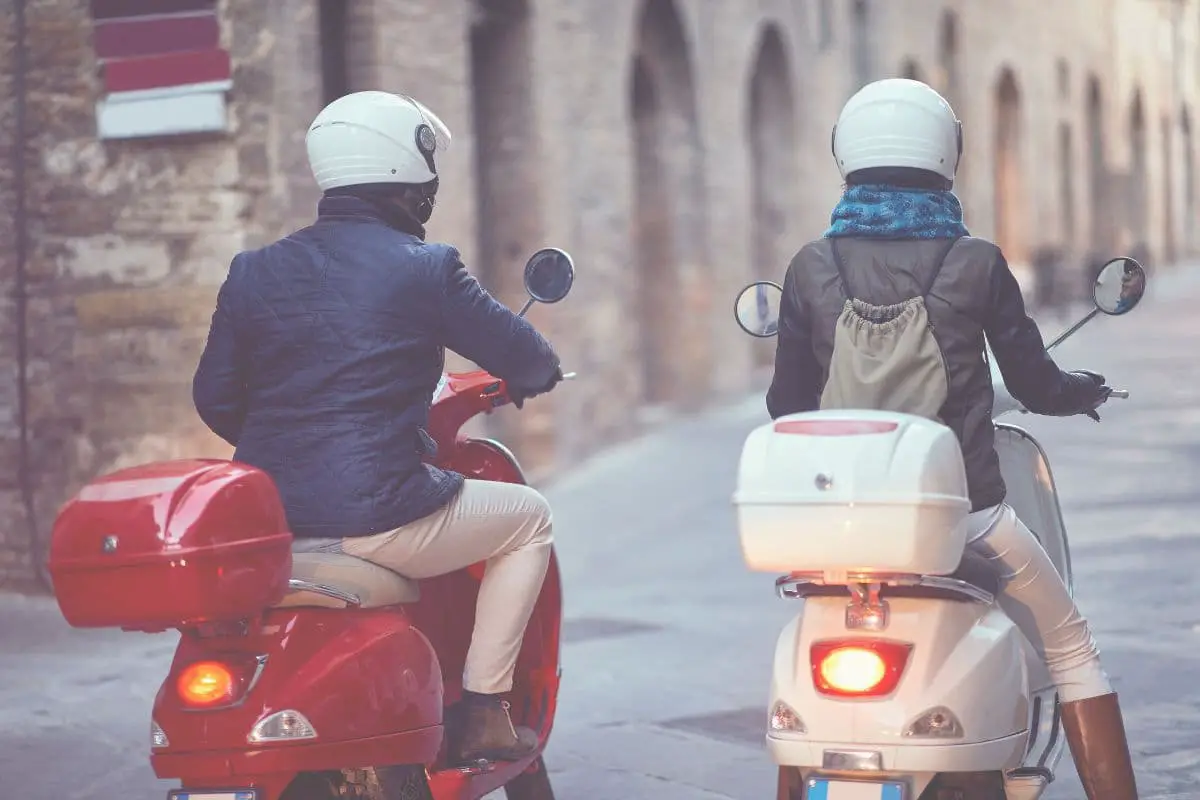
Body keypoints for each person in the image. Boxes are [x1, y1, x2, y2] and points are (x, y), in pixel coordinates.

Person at [766, 78, 1139, 800]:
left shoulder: (810, 266)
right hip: (965, 515)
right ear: (947, 156)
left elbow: (786, 403)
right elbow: (1034, 386)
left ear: (847, 153)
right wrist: (1083, 392)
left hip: (844, 525)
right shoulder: (977, 262)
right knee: (1070, 644)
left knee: (806, 677)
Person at [192, 90, 563, 765]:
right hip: (376, 516)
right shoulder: (426, 268)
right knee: (529, 518)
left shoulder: (253, 271)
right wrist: (536, 375)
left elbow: (214, 397)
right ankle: (484, 710)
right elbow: (528, 358)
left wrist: (290, 437)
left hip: (272, 519)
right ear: (410, 176)